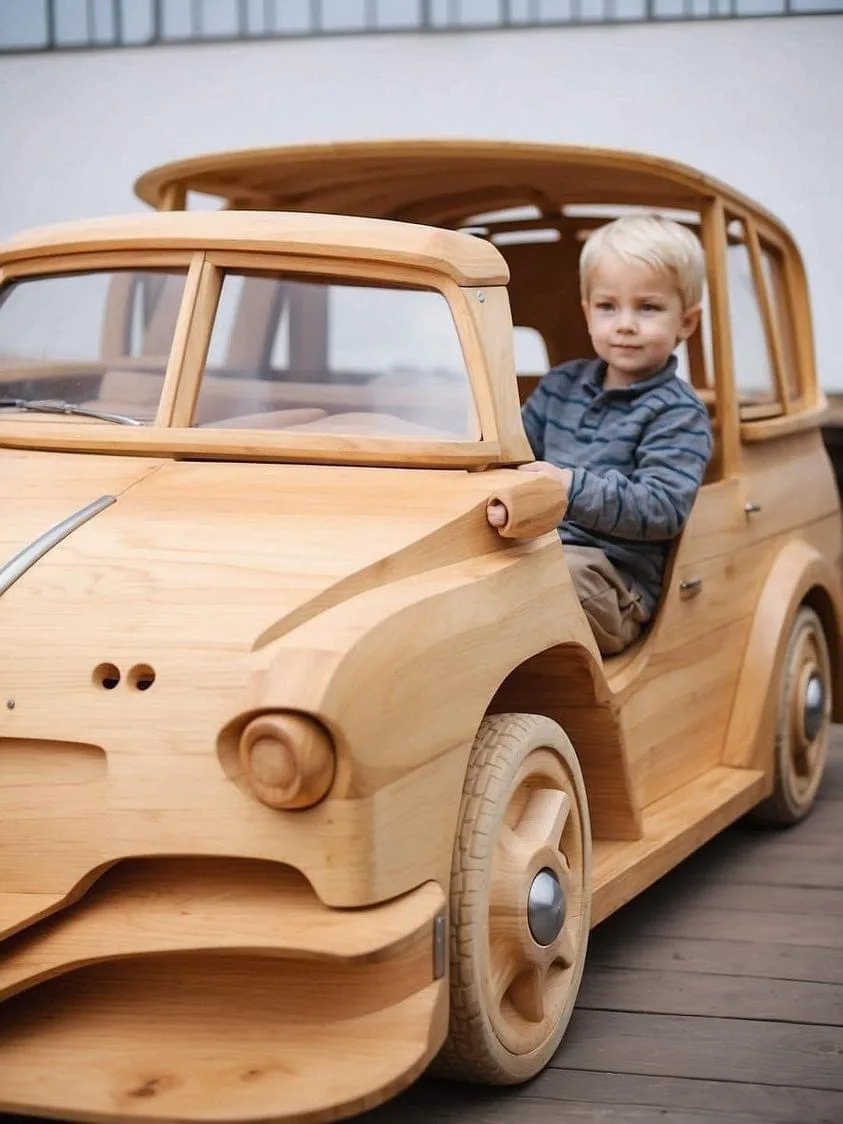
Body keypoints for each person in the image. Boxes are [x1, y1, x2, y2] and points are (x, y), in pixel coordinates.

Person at [487, 214, 713, 656]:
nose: (625, 323)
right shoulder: (559, 386)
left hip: (615, 582)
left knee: (539, 587)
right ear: (588, 312)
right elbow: (510, 455)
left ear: (686, 322)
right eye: (609, 307)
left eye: (648, 307)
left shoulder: (678, 413)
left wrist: (567, 488)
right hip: (537, 548)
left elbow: (663, 509)